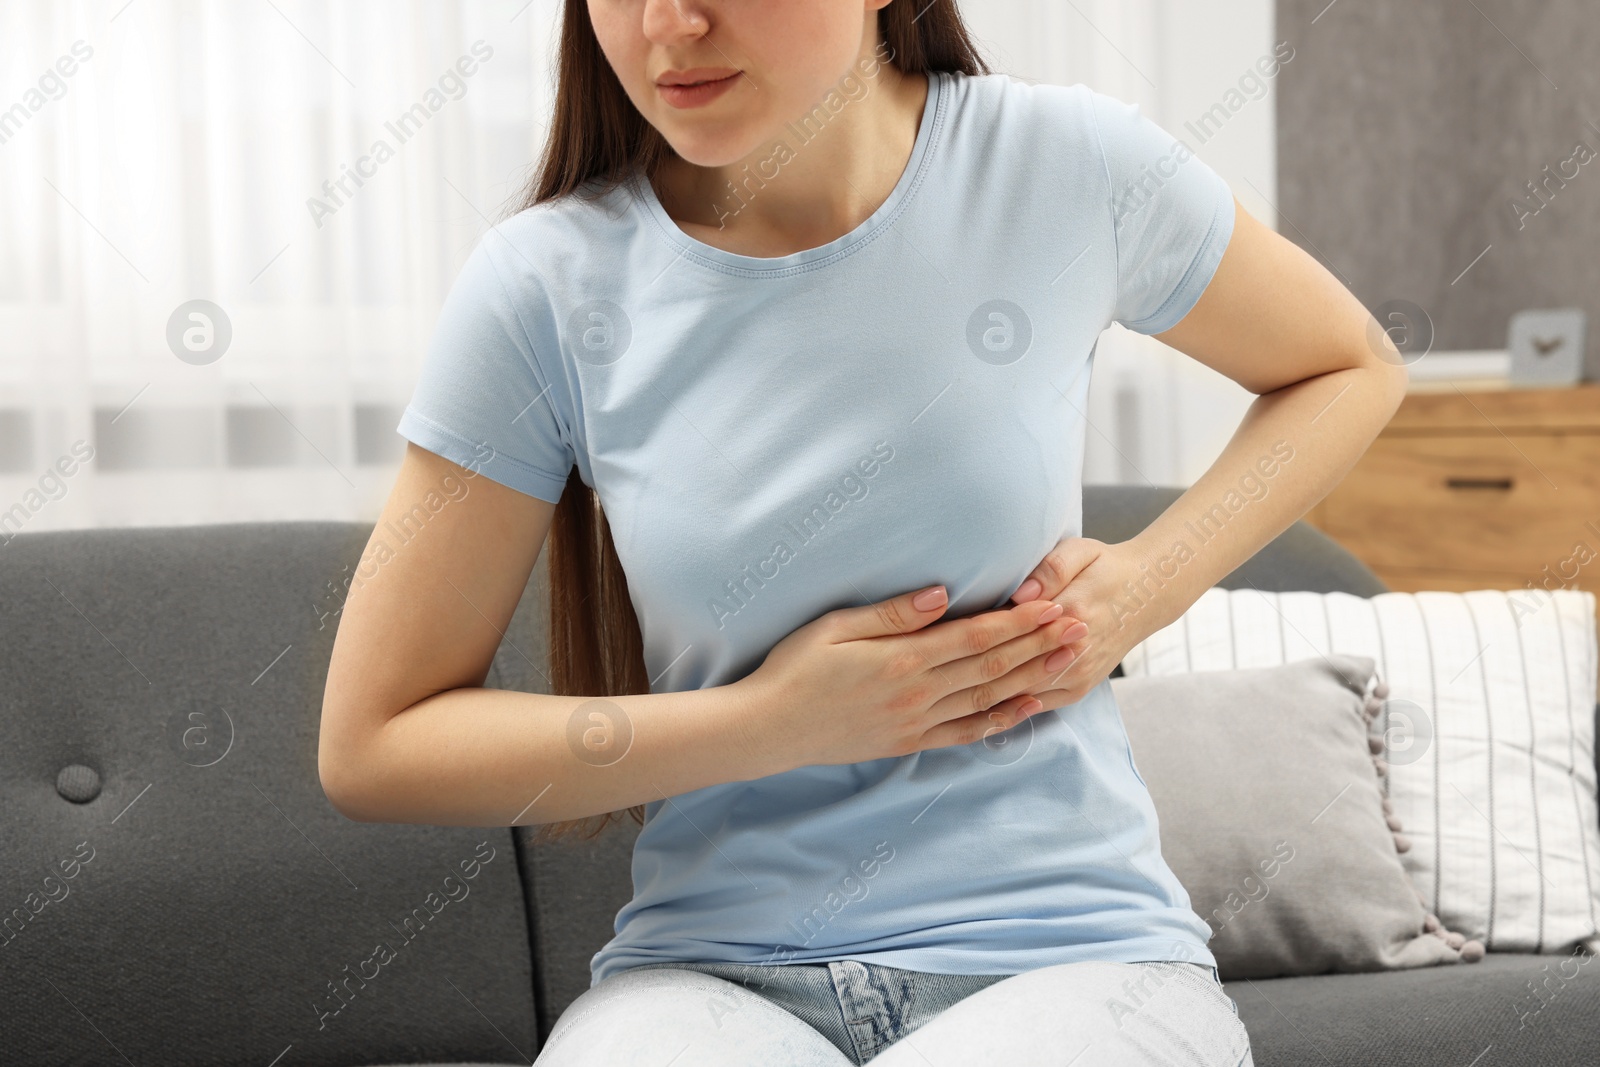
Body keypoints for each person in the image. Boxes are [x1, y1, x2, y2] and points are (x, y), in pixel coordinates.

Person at [318, 1, 1408, 1064]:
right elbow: (377, 740)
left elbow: (1346, 361)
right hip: (709, 972)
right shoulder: (544, 284)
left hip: (1064, 954)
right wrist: (773, 721)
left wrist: (1142, 586)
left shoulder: (1065, 163)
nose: (668, 24)